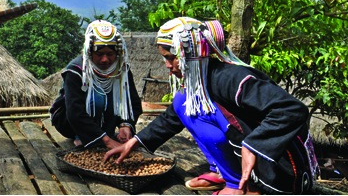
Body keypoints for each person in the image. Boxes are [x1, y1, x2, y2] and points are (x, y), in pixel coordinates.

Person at [104, 17, 318, 195]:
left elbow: (292, 109)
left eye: (172, 58)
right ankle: (224, 173)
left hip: (280, 169)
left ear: (192, 53)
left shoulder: (231, 78)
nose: (168, 66)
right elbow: (172, 118)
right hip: (249, 157)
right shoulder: (199, 82)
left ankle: (242, 186)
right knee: (182, 101)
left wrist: (254, 145)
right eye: (165, 59)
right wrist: (135, 142)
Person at [49, 20, 143, 150]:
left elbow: (133, 103)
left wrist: (125, 125)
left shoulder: (122, 70)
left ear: (117, 53)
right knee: (98, 97)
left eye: (110, 54)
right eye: (99, 54)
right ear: (89, 52)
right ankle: (86, 136)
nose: (105, 59)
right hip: (70, 123)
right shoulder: (75, 71)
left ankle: (101, 135)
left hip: (107, 123)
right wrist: (108, 142)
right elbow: (75, 112)